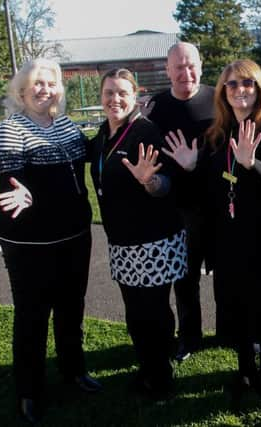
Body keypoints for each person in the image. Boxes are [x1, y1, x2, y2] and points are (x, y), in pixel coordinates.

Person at [166, 59, 261, 396]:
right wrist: (191, 168)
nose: (241, 90)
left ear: (259, 88)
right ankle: (243, 367)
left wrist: (252, 165)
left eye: (248, 83)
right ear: (223, 91)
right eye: (233, 84)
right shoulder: (216, 134)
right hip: (228, 240)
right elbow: (209, 192)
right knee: (235, 304)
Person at [0, 59, 101, 423]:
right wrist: (23, 195)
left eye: (50, 83)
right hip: (31, 244)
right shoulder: (9, 132)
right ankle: (29, 391)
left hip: (75, 236)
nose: (44, 89)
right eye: (36, 83)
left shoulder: (65, 125)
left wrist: (131, 121)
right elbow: (12, 184)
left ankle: (74, 370)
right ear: (21, 91)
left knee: (72, 307)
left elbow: (94, 152)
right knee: (32, 315)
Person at [89, 68, 188, 400]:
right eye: (109, 93)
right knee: (135, 315)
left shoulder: (145, 133)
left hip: (153, 242)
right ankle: (147, 368)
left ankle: (162, 380)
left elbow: (166, 185)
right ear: (101, 97)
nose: (114, 99)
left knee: (155, 315)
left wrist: (149, 182)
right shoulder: (103, 134)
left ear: (135, 97)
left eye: (121, 93)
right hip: (122, 242)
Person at [146, 41, 215, 361]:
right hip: (177, 209)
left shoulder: (219, 98)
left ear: (200, 66)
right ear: (167, 70)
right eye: (178, 67)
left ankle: (233, 331)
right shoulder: (156, 108)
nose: (186, 72)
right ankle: (190, 336)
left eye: (191, 65)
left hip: (219, 202)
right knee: (184, 279)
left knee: (231, 274)